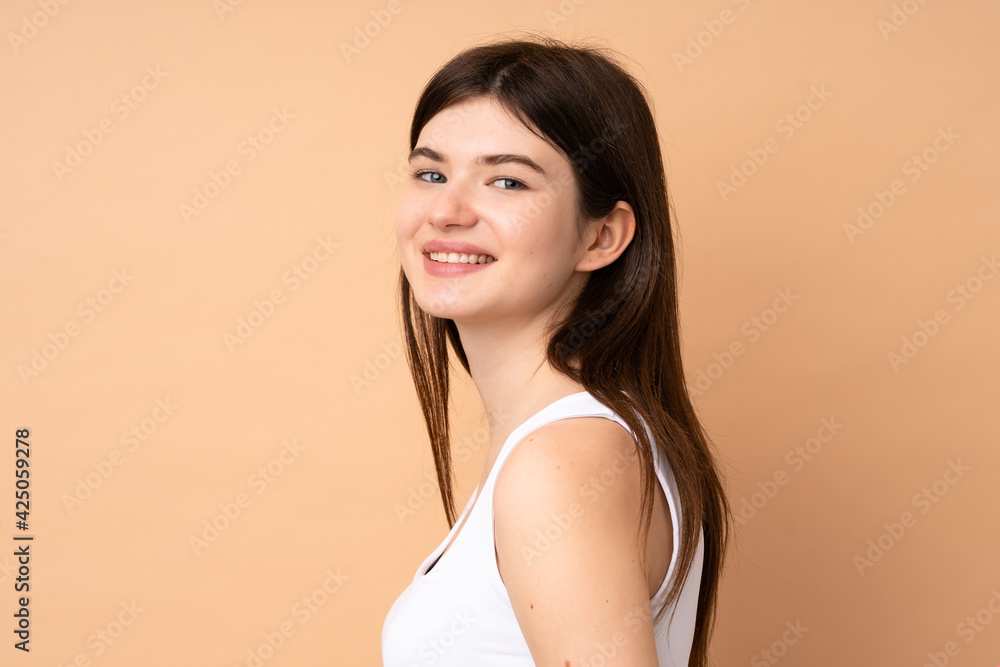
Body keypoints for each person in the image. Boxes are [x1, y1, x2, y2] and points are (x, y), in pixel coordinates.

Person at [381, 32, 732, 667]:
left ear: (602, 237)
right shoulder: (577, 442)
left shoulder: (560, 463)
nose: (446, 211)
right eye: (431, 173)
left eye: (507, 181)